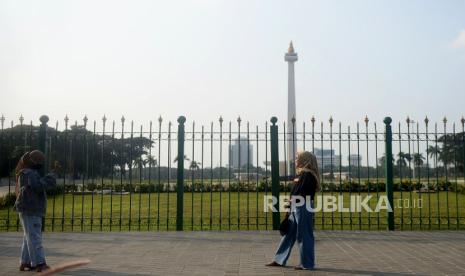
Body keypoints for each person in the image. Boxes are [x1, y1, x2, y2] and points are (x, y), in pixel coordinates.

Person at [266, 151, 320, 270]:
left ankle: (307, 264)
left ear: (304, 160)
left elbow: (305, 194)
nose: (295, 160)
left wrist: (291, 202)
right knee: (289, 234)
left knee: (304, 235)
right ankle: (279, 260)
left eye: (297, 158)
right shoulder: (302, 175)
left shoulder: (308, 175)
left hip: (303, 207)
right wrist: (290, 205)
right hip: (297, 206)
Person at [14, 150, 57, 272]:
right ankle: (40, 263)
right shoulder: (28, 173)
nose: (42, 163)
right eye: (40, 161)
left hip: (29, 210)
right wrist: (52, 175)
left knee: (28, 236)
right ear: (34, 162)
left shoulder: (27, 172)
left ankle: (25, 262)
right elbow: (37, 187)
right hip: (31, 210)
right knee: (35, 237)